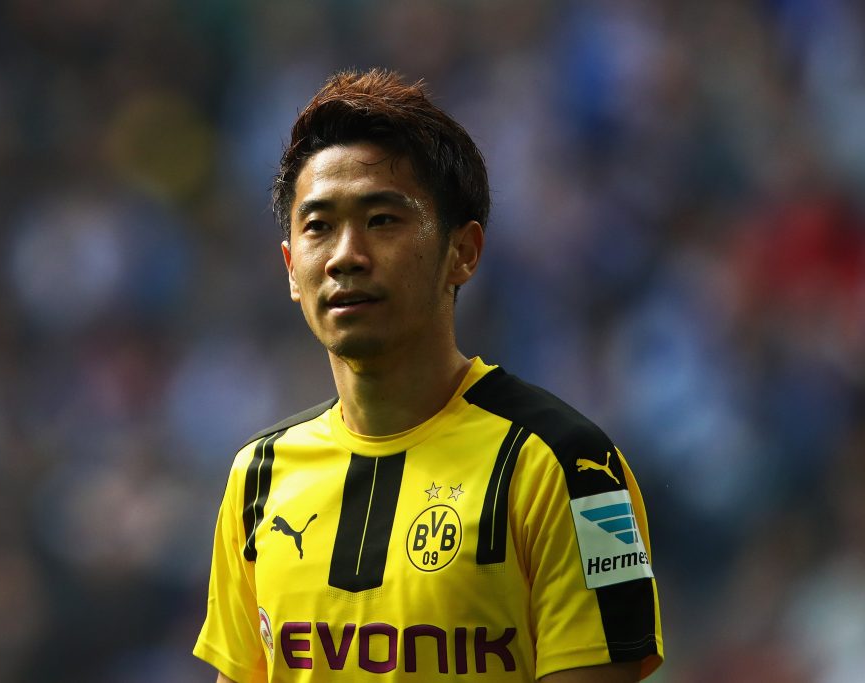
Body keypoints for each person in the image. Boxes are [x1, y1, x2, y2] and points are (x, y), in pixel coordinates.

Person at [193, 68, 664, 682]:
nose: (345, 256)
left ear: (463, 252)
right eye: (318, 226)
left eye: (382, 220)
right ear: (290, 268)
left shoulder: (573, 468)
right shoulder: (257, 477)